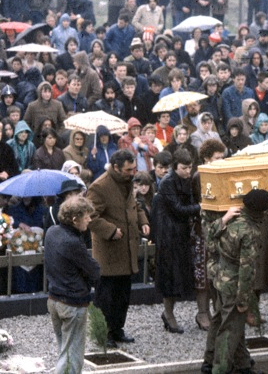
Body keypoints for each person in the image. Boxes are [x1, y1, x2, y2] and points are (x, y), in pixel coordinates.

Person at [201, 189, 268, 374]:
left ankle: (228, 364)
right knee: (230, 331)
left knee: (221, 322)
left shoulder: (232, 218)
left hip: (220, 278)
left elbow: (209, 239)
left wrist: (223, 219)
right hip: (234, 284)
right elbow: (247, 269)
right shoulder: (250, 231)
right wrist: (243, 300)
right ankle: (219, 369)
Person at [87, 149, 150, 348]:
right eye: (128, 169)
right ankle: (102, 332)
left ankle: (117, 329)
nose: (133, 173)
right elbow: (90, 217)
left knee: (123, 295)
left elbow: (134, 206)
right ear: (115, 167)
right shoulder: (99, 187)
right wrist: (111, 230)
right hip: (109, 253)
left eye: (134, 169)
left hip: (127, 250)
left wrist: (143, 221)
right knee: (106, 296)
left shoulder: (127, 183)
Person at [45, 196, 100, 374]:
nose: (89, 220)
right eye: (86, 216)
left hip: (54, 299)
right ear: (75, 219)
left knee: (63, 349)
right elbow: (94, 270)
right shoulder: (73, 242)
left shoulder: (52, 232)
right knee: (72, 356)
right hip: (72, 303)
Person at [152, 149, 201, 334]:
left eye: (190, 167)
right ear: (175, 166)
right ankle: (168, 314)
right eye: (184, 168)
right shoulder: (167, 183)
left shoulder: (184, 179)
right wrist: (200, 207)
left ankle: (169, 313)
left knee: (178, 276)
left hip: (180, 233)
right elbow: (178, 208)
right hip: (168, 235)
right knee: (170, 277)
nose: (188, 171)